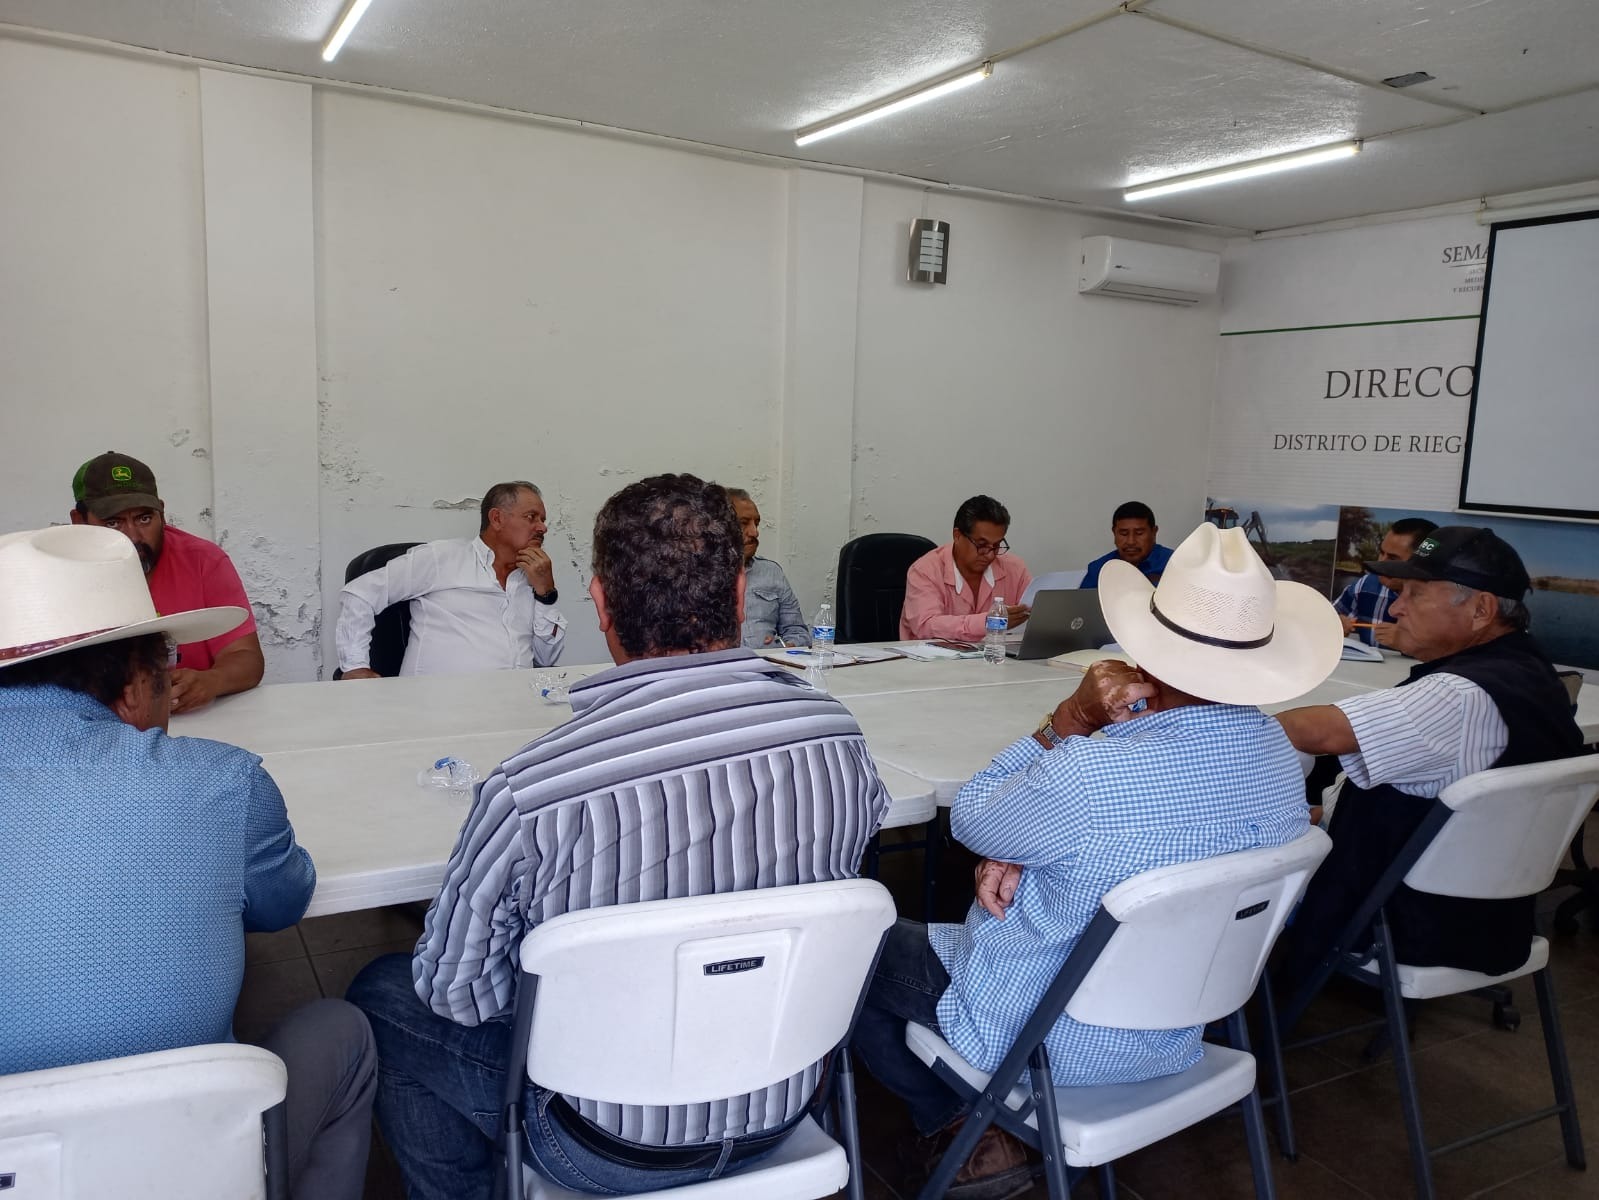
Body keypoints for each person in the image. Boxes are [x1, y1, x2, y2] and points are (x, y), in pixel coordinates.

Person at [347, 473, 892, 1197]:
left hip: (601, 1144)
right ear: (738, 596)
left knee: (384, 992)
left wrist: (583, 983)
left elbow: (458, 998)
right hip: (785, 1104)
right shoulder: (836, 738)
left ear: (600, 604)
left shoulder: (530, 790)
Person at [857, 523, 1341, 1199]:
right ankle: (981, 1126)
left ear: (1150, 653)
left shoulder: (1089, 771)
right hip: (1179, 1026)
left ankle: (964, 1124)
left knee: (854, 953)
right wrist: (1028, 847)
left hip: (1042, 1034)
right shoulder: (1279, 762)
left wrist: (1064, 726)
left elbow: (970, 817)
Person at [0, 524, 376, 1200]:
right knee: (341, 1028)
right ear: (138, 682)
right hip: (190, 1167)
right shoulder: (221, 781)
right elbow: (282, 904)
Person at [1276, 526, 1584, 990]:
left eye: (1416, 595)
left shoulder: (1456, 695)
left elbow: (1315, 731)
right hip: (1489, 915)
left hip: (1401, 916)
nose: (1396, 607)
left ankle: (1211, 1023)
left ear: (1481, 609)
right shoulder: (1535, 674)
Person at [68, 450, 263, 712]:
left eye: (144, 518)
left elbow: (247, 658)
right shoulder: (59, 573)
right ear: (79, 521)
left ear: (162, 512)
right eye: (113, 523)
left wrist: (211, 681)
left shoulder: (203, 561)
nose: (134, 537)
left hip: (196, 725)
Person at [335, 480, 566, 677]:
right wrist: (355, 666)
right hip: (437, 712)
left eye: (543, 520)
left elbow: (546, 660)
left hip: (516, 708)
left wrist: (546, 594)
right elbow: (360, 593)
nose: (542, 528)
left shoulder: (533, 579)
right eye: (532, 517)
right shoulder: (442, 558)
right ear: (496, 519)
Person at [901, 495, 1033, 641]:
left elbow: (1034, 619)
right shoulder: (925, 570)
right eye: (981, 545)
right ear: (957, 536)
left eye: (996, 546)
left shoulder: (1015, 569)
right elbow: (925, 627)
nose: (989, 555)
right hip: (934, 662)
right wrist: (988, 622)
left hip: (994, 660)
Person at [1332, 516, 1438, 647]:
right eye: (1382, 553)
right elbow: (1324, 620)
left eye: (1393, 558)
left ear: (1423, 562)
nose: (1381, 563)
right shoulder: (1365, 585)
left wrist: (1408, 643)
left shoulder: (1445, 600)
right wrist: (1334, 624)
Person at [729, 488, 809, 647]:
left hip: (770, 666)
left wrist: (787, 647)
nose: (755, 532)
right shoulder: (697, 575)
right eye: (743, 523)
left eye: (756, 524)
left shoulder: (772, 572)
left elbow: (798, 632)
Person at [1079, 500, 1173, 588]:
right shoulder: (1099, 569)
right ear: (1114, 532)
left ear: (1154, 532)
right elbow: (1083, 604)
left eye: (1139, 533)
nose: (1130, 541)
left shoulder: (1174, 564)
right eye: (1123, 533)